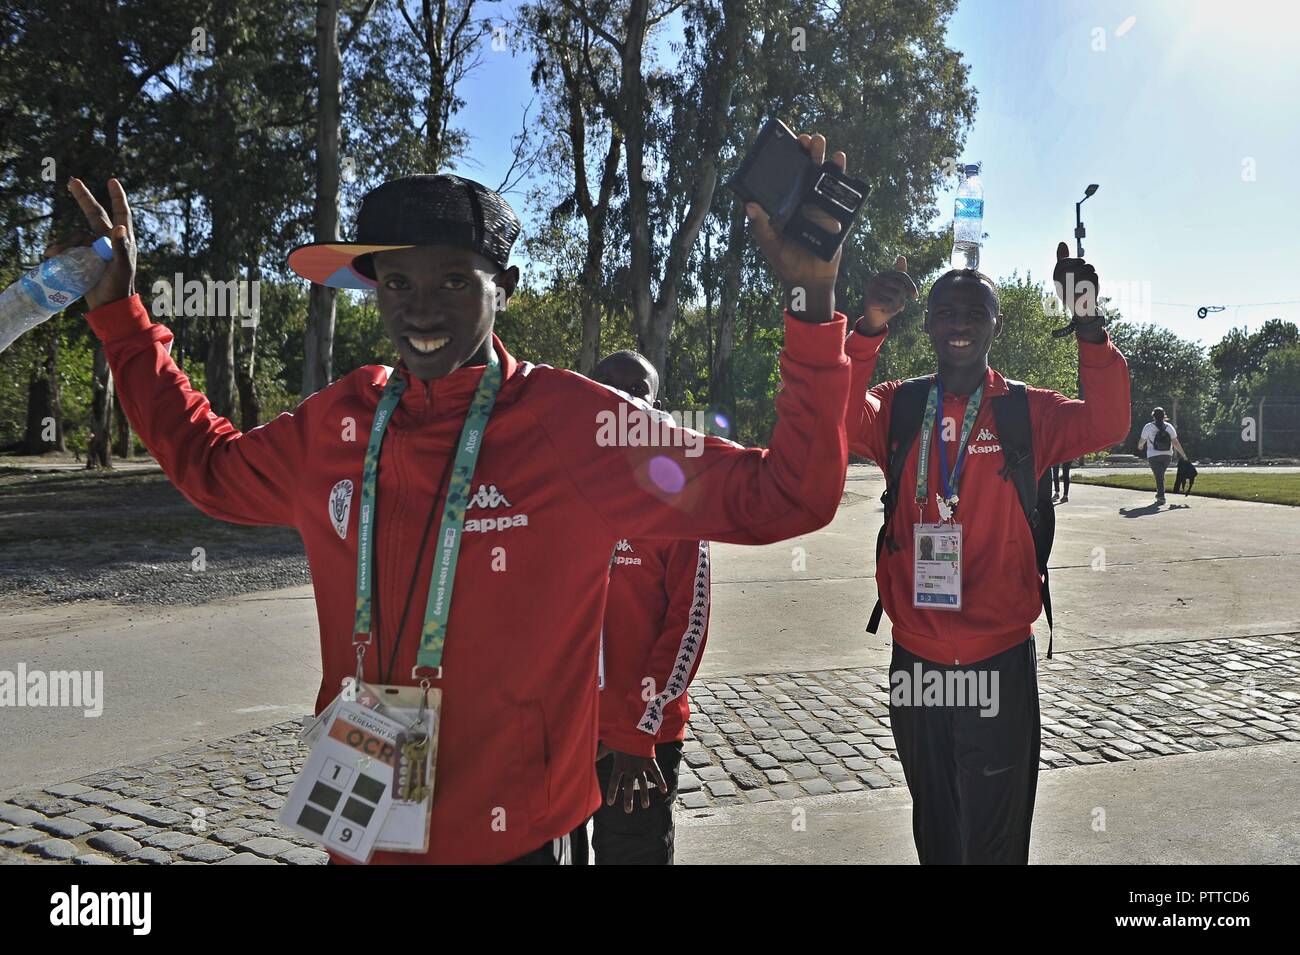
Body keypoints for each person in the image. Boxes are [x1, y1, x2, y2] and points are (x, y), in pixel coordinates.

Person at [51, 131, 854, 865]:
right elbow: (209, 465)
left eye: (451, 281)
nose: (420, 307)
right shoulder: (342, 419)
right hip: (363, 823)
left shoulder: (576, 425)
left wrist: (812, 301)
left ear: (503, 285)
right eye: (395, 281)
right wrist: (121, 317)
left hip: (515, 840)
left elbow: (785, 493)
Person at [845, 244, 1131, 864]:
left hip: (997, 658)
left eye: (974, 312)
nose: (959, 324)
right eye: (945, 311)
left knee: (997, 837)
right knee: (937, 823)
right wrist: (866, 328)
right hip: (916, 660)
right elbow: (834, 411)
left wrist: (1087, 319)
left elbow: (1109, 422)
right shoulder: (900, 406)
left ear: (995, 325)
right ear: (925, 323)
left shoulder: (1026, 411)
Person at [570, 350, 710, 866]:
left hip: (639, 738)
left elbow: (687, 625)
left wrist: (636, 731)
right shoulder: (551, 484)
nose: (619, 398)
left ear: (657, 408)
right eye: (604, 385)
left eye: (636, 390)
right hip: (558, 733)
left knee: (632, 856)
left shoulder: (676, 496)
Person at [1137, 407, 1187, 505]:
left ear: (1153, 416)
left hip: (1153, 455)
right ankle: (1160, 494)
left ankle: (1161, 496)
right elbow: (1175, 442)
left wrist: (1140, 446)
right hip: (1167, 455)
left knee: (1159, 476)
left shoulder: (1148, 427)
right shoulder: (1169, 427)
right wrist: (1183, 455)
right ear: (1164, 416)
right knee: (1160, 475)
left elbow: (1142, 440)